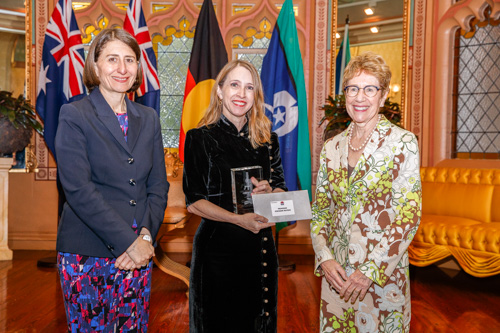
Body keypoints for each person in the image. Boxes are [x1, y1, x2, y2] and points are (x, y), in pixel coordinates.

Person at [54, 28, 169, 332]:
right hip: (87, 253)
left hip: (138, 255)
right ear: (95, 66)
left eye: (130, 60)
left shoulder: (149, 118)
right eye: (112, 59)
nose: (122, 68)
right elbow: (78, 190)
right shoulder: (74, 115)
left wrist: (145, 237)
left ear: (138, 69)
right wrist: (129, 243)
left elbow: (157, 186)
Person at [310, 52, 421, 333]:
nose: (360, 97)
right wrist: (324, 257)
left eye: (370, 88)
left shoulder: (402, 143)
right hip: (336, 277)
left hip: (383, 277)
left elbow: (409, 216)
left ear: (382, 96)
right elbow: (321, 211)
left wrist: (369, 271)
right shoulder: (331, 147)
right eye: (353, 88)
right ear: (345, 94)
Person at [183, 59, 287, 333]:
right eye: (235, 85)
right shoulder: (199, 138)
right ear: (220, 91)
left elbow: (281, 191)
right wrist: (237, 219)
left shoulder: (269, 140)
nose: (241, 94)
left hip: (260, 251)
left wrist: (270, 192)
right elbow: (194, 202)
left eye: (249, 87)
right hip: (218, 254)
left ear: (256, 96)